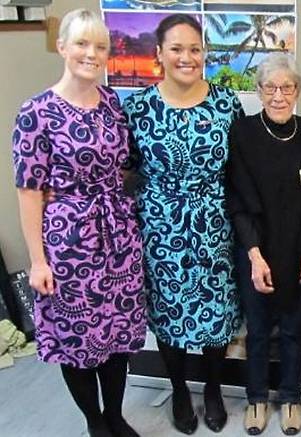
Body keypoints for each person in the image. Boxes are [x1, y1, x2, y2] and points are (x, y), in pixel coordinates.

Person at [12, 8, 146, 437]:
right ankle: (95, 422)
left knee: (118, 333)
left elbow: (123, 165)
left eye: (100, 46)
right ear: (62, 47)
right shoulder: (36, 113)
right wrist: (38, 261)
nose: (92, 53)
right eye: (82, 43)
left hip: (118, 235)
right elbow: (29, 192)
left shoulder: (112, 103)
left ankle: (115, 415)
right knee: (77, 338)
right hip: (67, 241)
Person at [122, 14, 244, 435]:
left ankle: (212, 389)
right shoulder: (138, 108)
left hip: (215, 225)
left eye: (194, 49)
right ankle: (177, 389)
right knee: (168, 312)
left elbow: (240, 168)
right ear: (159, 53)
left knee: (217, 312)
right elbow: (124, 167)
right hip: (159, 227)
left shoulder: (227, 103)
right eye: (176, 48)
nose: (186, 57)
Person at [227, 53, 301, 436]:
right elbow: (236, 199)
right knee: (259, 329)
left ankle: (291, 398)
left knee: (295, 328)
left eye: (287, 87)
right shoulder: (243, 132)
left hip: (298, 249)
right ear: (258, 90)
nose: (278, 95)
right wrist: (254, 255)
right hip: (256, 250)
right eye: (270, 87)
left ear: (297, 91)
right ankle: (256, 399)